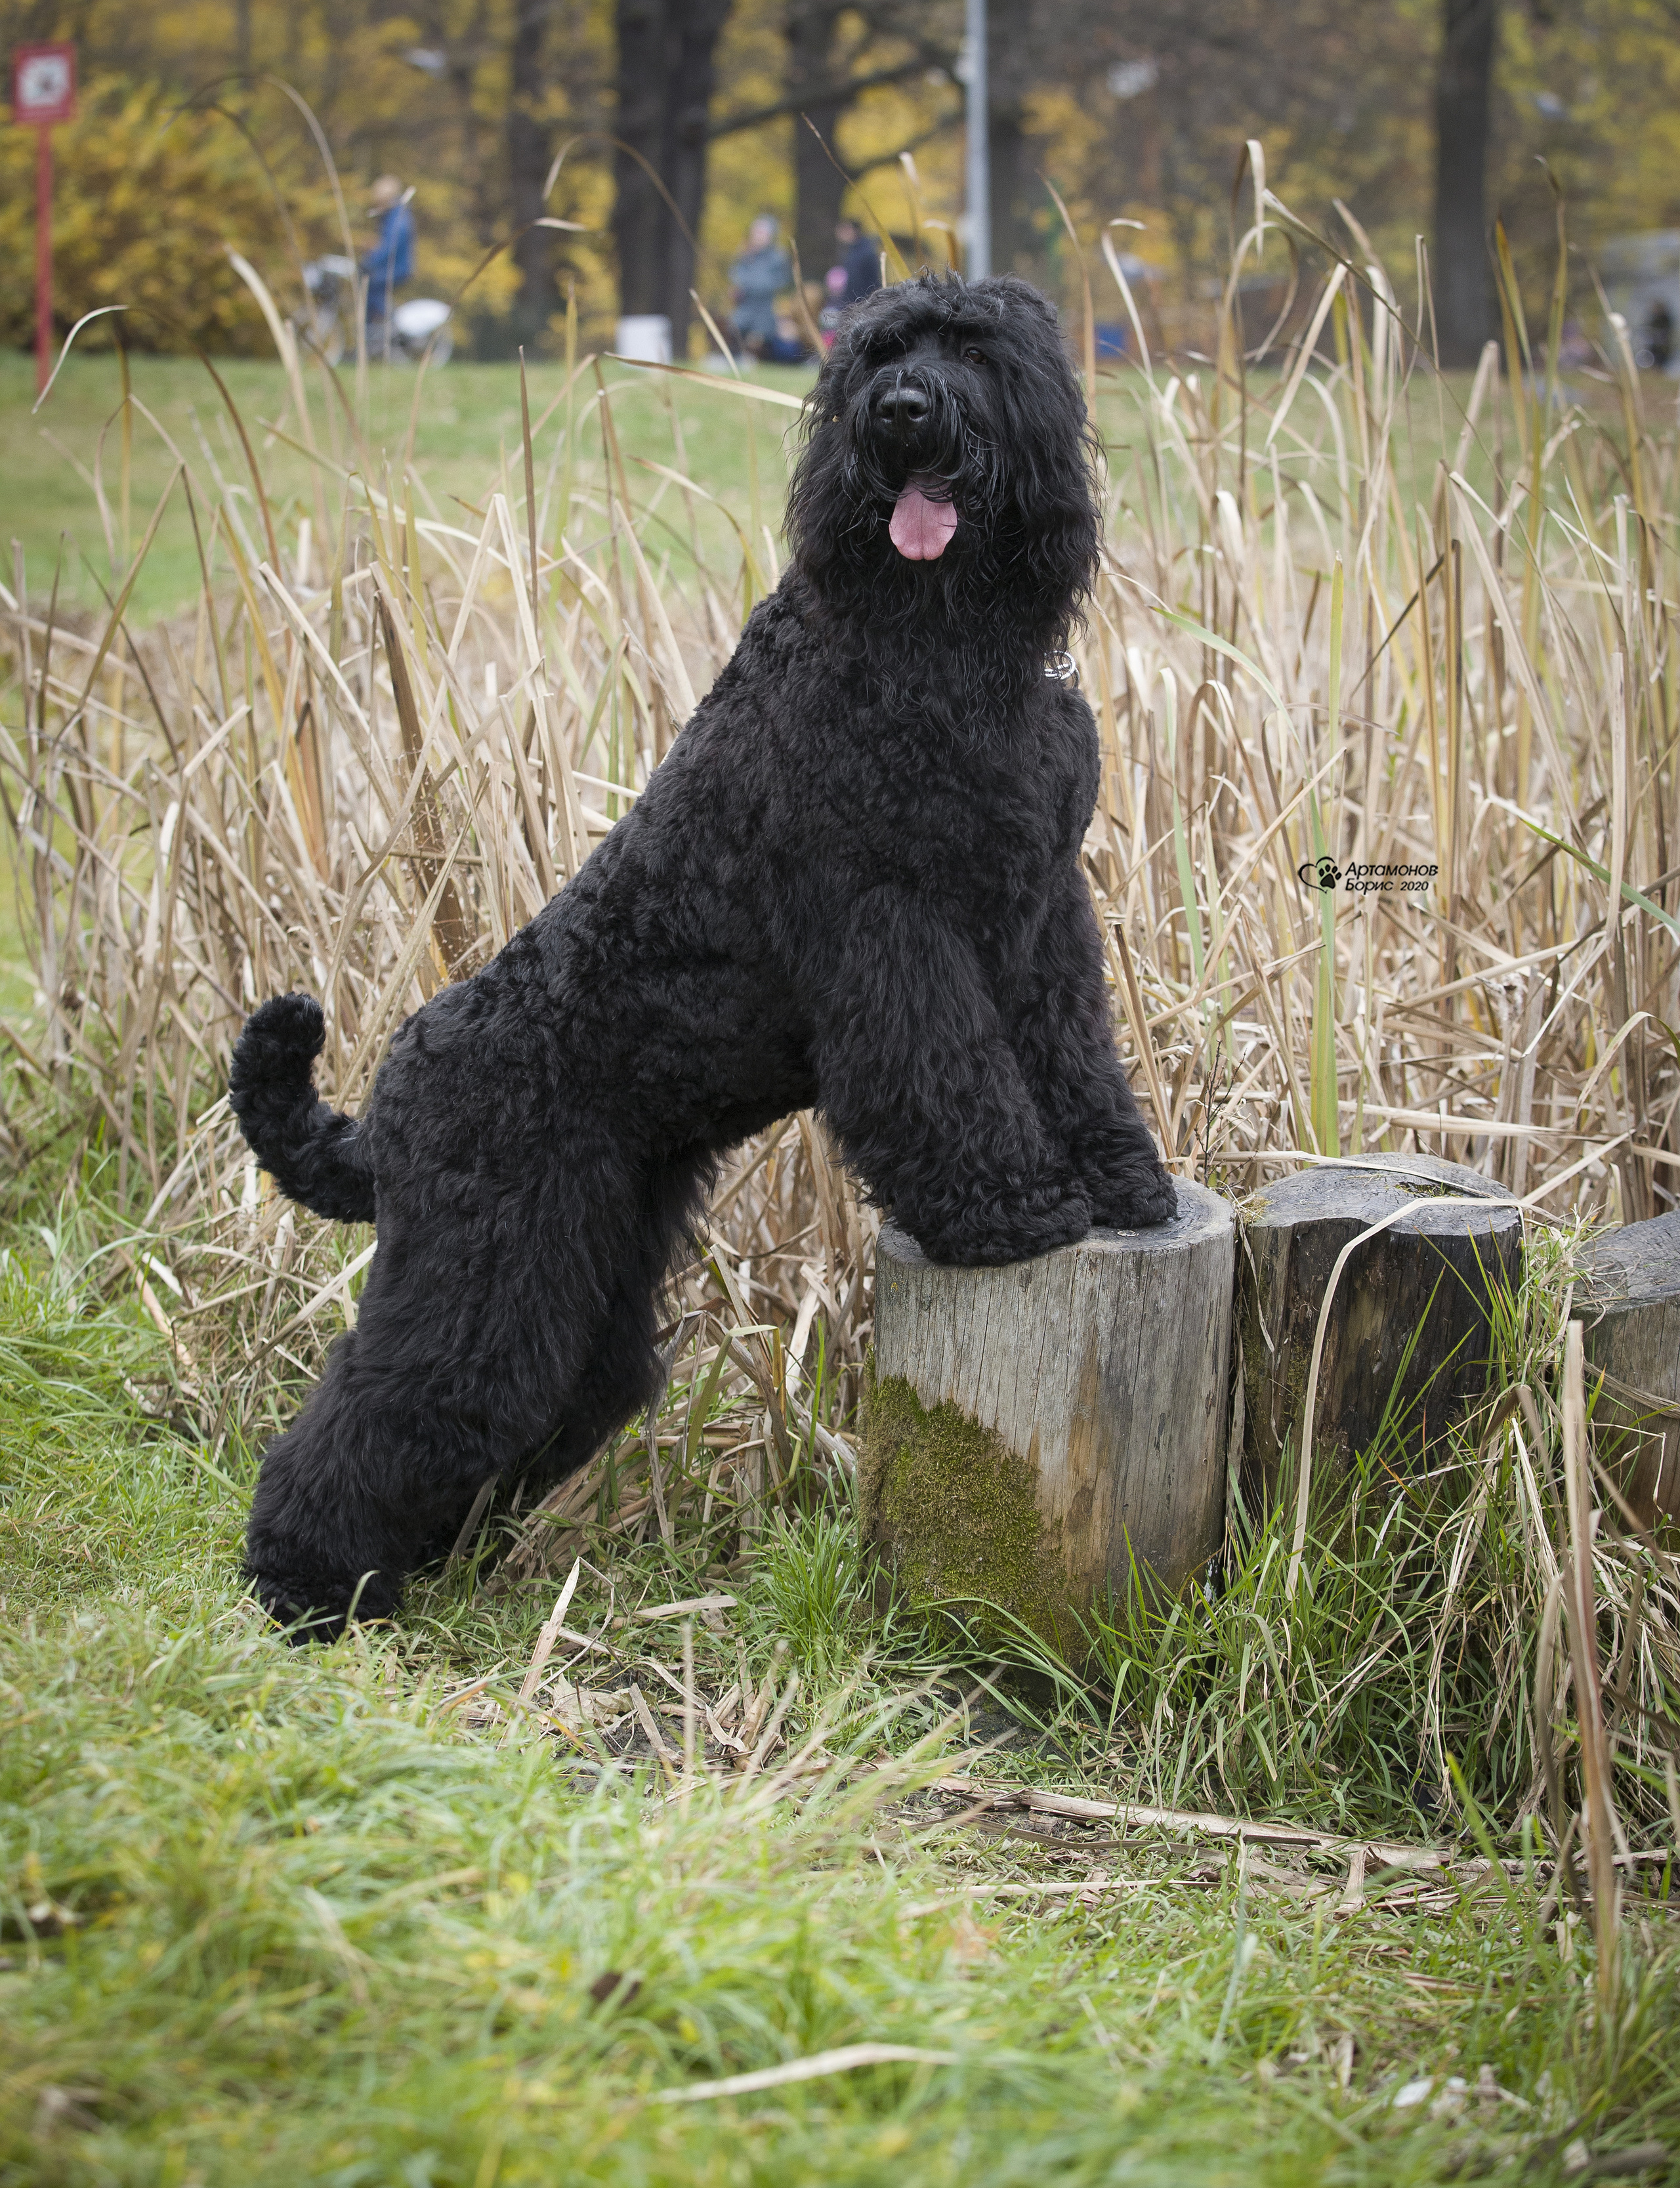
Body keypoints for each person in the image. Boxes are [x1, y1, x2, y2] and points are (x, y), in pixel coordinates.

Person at [362, 176, 415, 355]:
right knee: (370, 289)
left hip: (399, 269)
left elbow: (389, 248)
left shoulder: (399, 218)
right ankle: (372, 337)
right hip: (390, 267)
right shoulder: (392, 215)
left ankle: (392, 328)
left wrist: (369, 262)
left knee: (372, 288)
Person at [729, 215, 791, 354]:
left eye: (762, 233)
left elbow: (779, 282)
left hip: (765, 308)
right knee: (736, 328)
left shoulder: (778, 258)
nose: (758, 237)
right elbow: (736, 276)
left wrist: (753, 286)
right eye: (756, 233)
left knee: (759, 340)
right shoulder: (745, 255)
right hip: (745, 306)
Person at [831, 217, 882, 309]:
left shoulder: (864, 253)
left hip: (861, 304)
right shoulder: (852, 251)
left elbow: (864, 281)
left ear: (852, 230)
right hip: (854, 303)